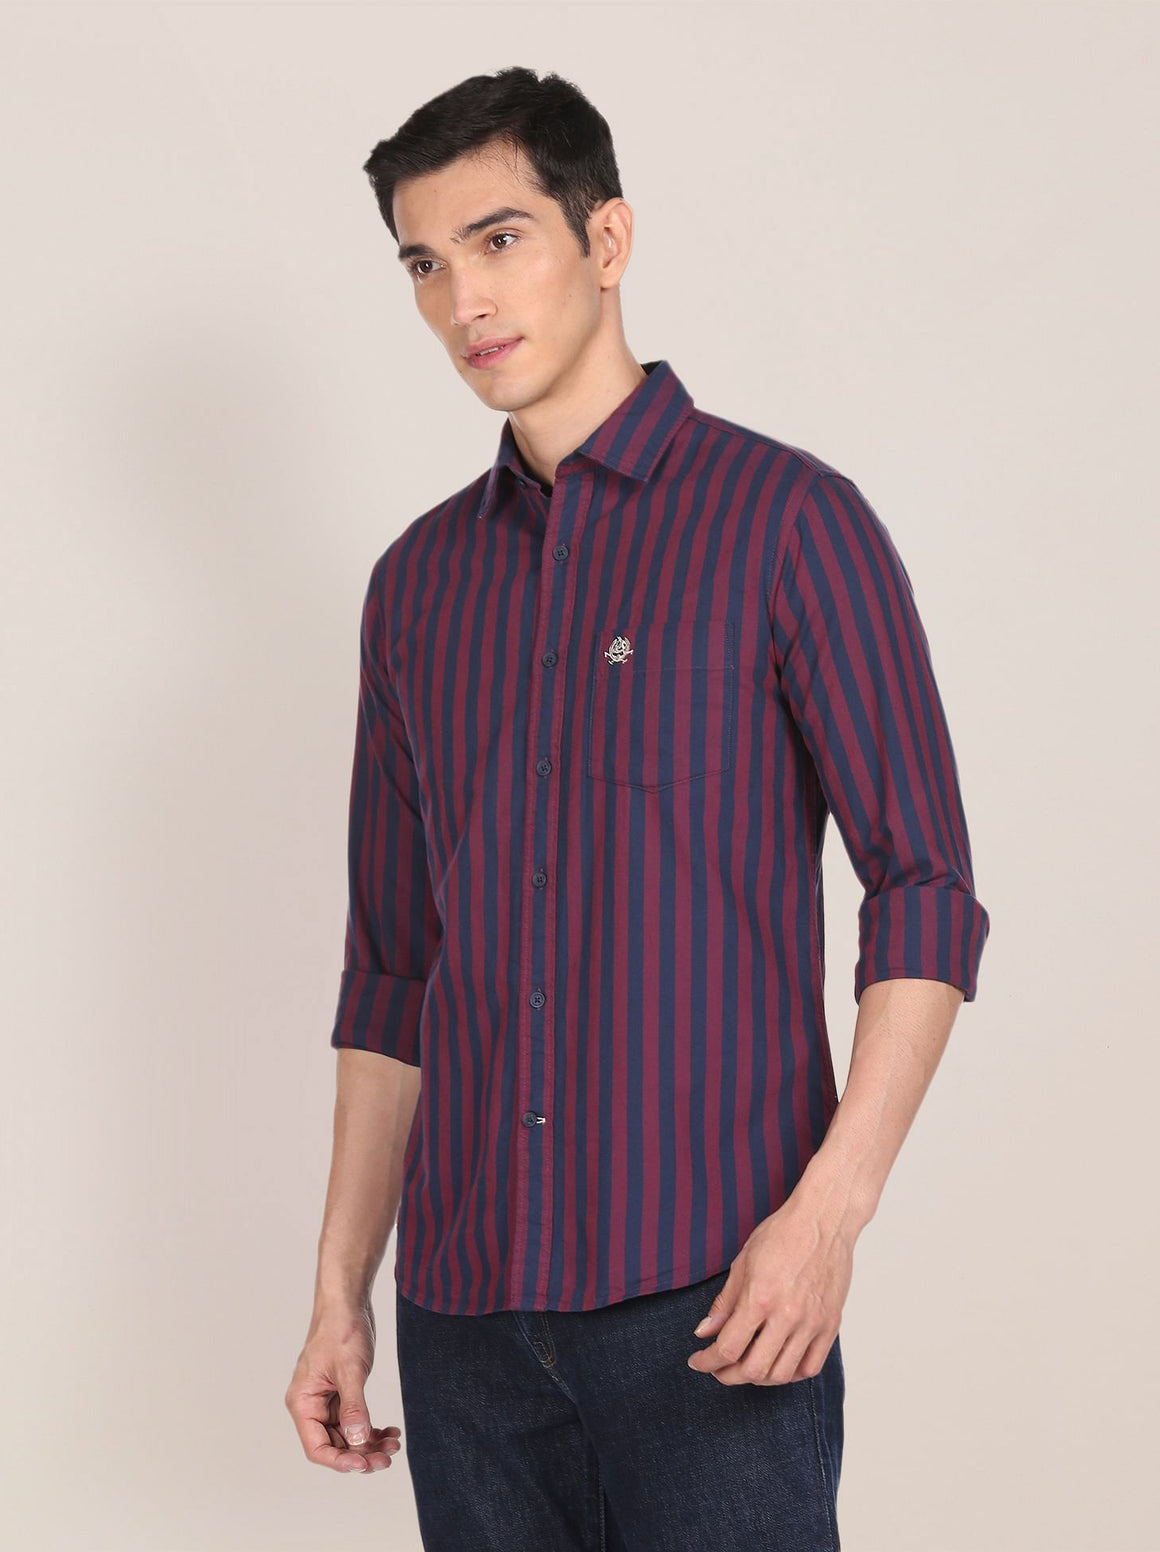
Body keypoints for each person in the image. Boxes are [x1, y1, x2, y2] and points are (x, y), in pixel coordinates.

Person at [285, 65, 991, 1552]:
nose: (463, 300)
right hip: (466, 1324)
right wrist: (342, 1292)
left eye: (499, 240)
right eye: (424, 264)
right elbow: (392, 974)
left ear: (605, 237)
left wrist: (828, 1217)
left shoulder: (788, 522)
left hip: (717, 1301)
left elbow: (924, 890)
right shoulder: (416, 587)